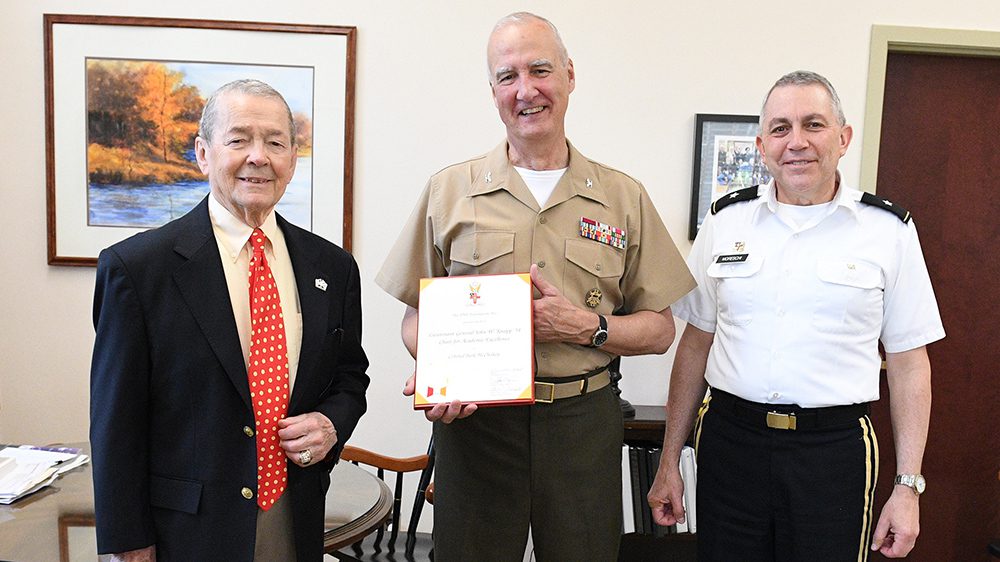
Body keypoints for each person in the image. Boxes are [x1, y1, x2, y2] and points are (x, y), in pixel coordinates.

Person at [376, 12, 695, 561]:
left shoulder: (623, 197)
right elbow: (413, 317)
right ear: (493, 91)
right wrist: (439, 370)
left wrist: (588, 327)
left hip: (582, 422)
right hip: (479, 427)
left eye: (540, 70)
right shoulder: (450, 190)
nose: (526, 90)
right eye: (508, 76)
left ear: (569, 75)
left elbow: (661, 330)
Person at [647, 70, 945, 561]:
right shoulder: (725, 222)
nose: (797, 142)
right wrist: (669, 461)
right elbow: (696, 343)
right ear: (762, 145)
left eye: (814, 125)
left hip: (832, 453)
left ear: (843, 138)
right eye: (781, 129)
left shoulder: (887, 231)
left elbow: (911, 362)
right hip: (730, 443)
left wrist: (908, 487)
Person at [90, 79, 370, 562]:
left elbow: (349, 376)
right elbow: (116, 421)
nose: (258, 156)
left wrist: (330, 423)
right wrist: (128, 540)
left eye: (276, 142)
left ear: (292, 158)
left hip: (294, 517)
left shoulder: (333, 267)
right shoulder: (138, 269)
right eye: (238, 139)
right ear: (202, 153)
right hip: (184, 532)